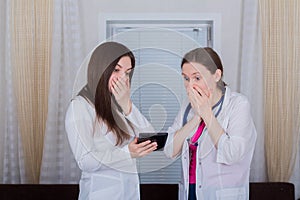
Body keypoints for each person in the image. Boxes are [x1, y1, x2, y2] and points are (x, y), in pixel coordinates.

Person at [65, 41, 157, 200]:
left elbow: (150, 137)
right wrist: (127, 153)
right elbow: (86, 161)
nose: (123, 78)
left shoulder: (118, 106)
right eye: (116, 70)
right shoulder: (80, 107)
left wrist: (127, 105)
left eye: (127, 73)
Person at [164, 47, 257, 200]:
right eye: (186, 78)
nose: (190, 86)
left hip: (223, 194)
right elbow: (170, 150)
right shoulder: (187, 106)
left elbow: (231, 154)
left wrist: (206, 113)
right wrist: (196, 118)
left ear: (217, 75)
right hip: (190, 193)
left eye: (197, 78)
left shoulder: (238, 104)